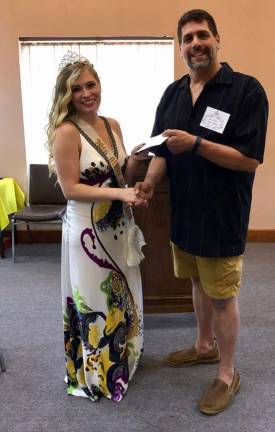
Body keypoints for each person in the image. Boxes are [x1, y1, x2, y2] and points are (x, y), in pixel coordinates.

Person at [135, 9, 268, 415]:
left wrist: (195, 144)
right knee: (195, 281)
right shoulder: (172, 94)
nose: (196, 43)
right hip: (185, 215)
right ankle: (203, 346)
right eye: (188, 38)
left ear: (217, 40)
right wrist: (151, 181)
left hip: (222, 215)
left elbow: (248, 159)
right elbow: (162, 149)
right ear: (179, 48)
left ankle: (227, 373)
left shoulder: (246, 91)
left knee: (223, 295)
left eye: (203, 35)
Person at [46, 53, 146, 402]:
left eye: (91, 85)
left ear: (100, 85)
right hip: (86, 229)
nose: (87, 93)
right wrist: (120, 191)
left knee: (122, 291)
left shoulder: (112, 124)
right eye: (77, 89)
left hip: (117, 225)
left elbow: (120, 174)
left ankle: (125, 358)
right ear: (67, 95)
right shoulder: (66, 131)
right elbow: (71, 188)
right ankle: (98, 374)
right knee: (95, 300)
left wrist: (133, 163)